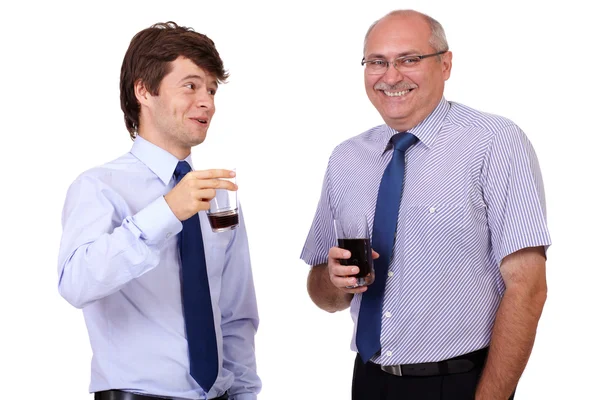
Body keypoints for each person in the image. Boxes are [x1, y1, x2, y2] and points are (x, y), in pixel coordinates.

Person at [300, 9, 550, 400]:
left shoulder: (494, 142)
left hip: (459, 382)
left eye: (409, 60)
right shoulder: (346, 158)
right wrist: (333, 281)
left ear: (446, 64)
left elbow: (528, 287)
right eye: (377, 62)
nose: (391, 76)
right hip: (367, 379)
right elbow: (321, 292)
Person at [57, 22, 261, 400]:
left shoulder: (216, 196)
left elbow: (235, 314)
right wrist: (165, 213)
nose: (208, 102)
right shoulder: (100, 187)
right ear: (144, 90)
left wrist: (245, 393)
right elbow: (76, 283)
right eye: (191, 85)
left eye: (212, 90)